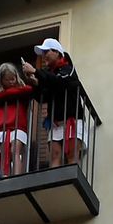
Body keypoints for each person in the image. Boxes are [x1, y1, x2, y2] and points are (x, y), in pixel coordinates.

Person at [31, 39, 87, 168]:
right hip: (56, 122)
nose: (44, 56)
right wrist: (36, 85)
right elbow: (42, 98)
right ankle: (54, 183)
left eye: (46, 52)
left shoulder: (68, 68)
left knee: (72, 154)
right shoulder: (50, 75)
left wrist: (36, 72)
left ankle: (70, 181)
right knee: (55, 155)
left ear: (57, 52)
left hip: (72, 119)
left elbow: (60, 81)